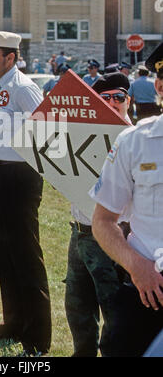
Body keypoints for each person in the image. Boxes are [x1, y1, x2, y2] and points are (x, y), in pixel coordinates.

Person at [0, 30, 52, 357]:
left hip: (21, 175)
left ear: (11, 57)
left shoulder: (23, 87)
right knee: (6, 254)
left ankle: (37, 336)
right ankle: (14, 323)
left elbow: (47, 128)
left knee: (26, 255)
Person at [89, 42, 163, 357]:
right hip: (150, 288)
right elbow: (103, 221)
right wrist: (137, 267)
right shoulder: (134, 142)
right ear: (159, 84)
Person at [65, 72, 132, 357]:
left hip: (113, 235)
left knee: (114, 309)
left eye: (119, 97)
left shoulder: (135, 139)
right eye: (104, 98)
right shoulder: (84, 133)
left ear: (128, 100)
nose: (113, 102)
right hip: (79, 231)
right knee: (77, 306)